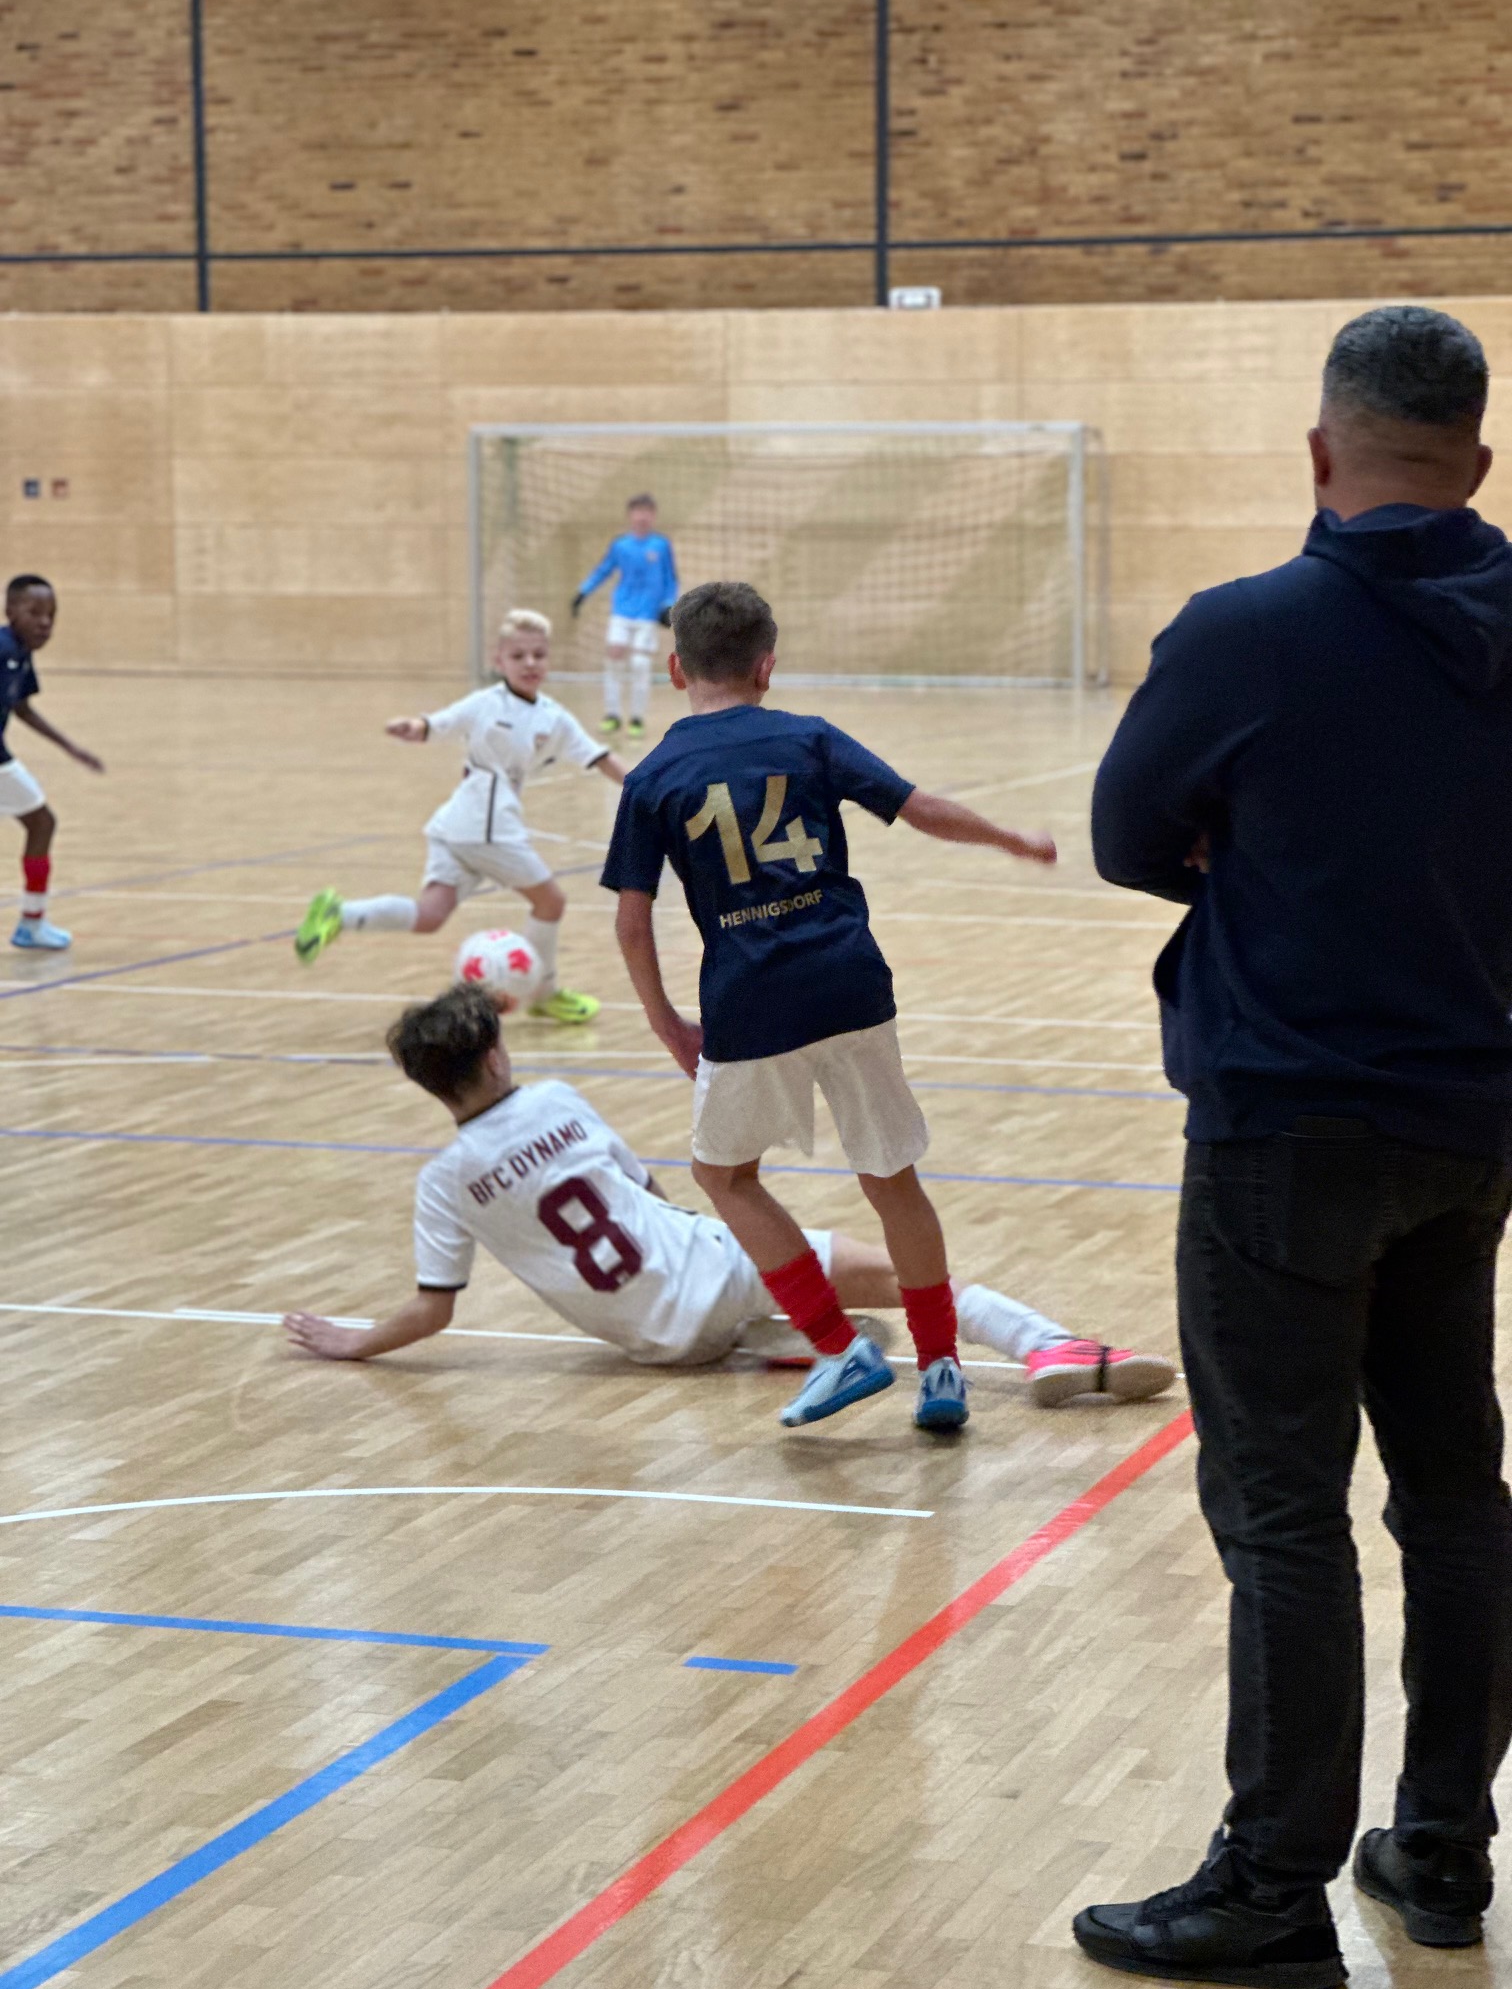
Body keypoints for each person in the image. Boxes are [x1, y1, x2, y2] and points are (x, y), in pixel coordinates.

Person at [1077, 305, 1512, 1989]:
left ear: (1321, 451)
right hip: (1470, 1124)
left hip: (1283, 1126)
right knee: (1453, 1492)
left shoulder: (1246, 632)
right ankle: (1442, 1847)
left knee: (1282, 1514)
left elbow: (1131, 836)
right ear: (1476, 462)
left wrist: (1268, 853)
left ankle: (1272, 1888)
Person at [600, 579, 1063, 1436]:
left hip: (750, 1001)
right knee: (892, 1180)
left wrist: (668, 1025)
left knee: (725, 1177)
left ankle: (838, 1345)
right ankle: (940, 1366)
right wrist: (1011, 838)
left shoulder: (654, 774)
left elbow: (631, 924)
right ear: (766, 667)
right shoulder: (808, 737)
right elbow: (919, 809)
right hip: (851, 982)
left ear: (675, 669)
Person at [283, 983, 1177, 1409]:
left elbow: (434, 1311)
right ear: (494, 1056)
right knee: (924, 1281)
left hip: (656, 1345)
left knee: (737, 1309)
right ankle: (1047, 1348)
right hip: (714, 1268)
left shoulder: (443, 1184)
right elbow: (649, 1190)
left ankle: (786, 1339)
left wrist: (355, 1342)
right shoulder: (554, 1100)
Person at [295, 609, 623, 1026]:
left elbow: (601, 757)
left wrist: (645, 786)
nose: (529, 663)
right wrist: (414, 726)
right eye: (518, 655)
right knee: (550, 901)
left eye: (538, 655)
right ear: (498, 660)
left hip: (457, 826)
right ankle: (544, 994)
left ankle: (339, 914)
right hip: (484, 826)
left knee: (430, 916)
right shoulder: (486, 703)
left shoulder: (554, 717)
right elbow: (439, 723)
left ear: (548, 659)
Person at [1, 574, 104, 952]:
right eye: (35, 613)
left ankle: (32, 924)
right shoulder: (1, 649)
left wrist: (70, 747)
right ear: (10, 611)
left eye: (51, 615)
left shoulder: (19, 652)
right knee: (42, 822)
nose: (45, 623)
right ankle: (31, 923)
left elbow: (22, 707)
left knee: (41, 822)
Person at [571, 493, 678, 741]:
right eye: (638, 511)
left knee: (640, 664)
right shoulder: (620, 545)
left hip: (647, 614)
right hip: (621, 611)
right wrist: (583, 592)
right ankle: (613, 714)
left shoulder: (661, 545)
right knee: (614, 655)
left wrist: (668, 605)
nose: (642, 516)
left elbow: (670, 579)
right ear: (630, 515)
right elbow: (603, 570)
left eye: (647, 511)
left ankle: (637, 718)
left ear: (653, 515)